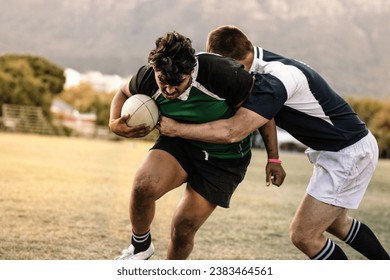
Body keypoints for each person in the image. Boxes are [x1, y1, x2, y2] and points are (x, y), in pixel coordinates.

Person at [157, 25, 389, 260]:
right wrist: (274, 158)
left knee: (304, 235)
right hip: (340, 149)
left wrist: (176, 129)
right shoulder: (260, 68)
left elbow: (233, 131)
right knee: (337, 224)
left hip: (348, 152)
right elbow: (270, 113)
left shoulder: (277, 76)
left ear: (230, 62)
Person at [109, 31, 286, 260]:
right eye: (163, 82)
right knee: (143, 186)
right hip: (179, 144)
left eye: (177, 83)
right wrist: (114, 124)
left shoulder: (222, 73)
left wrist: (273, 158)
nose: (169, 90)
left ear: (191, 70)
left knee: (182, 228)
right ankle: (141, 247)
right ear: (155, 70)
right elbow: (123, 92)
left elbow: (263, 111)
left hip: (224, 158)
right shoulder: (148, 77)